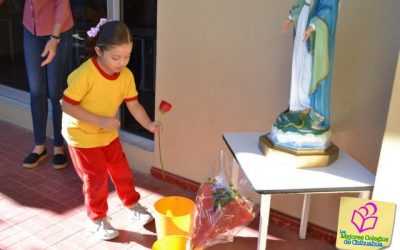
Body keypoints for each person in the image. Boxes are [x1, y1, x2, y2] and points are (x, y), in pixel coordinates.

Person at [61, 19, 159, 240]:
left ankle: (132, 204)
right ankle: (96, 219)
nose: (122, 63)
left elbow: (133, 104)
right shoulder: (85, 74)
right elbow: (66, 105)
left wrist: (148, 124)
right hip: (81, 135)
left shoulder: (125, 76)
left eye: (127, 57)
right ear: (98, 51)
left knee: (121, 170)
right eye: (116, 57)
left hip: (106, 133)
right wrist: (99, 120)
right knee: (95, 177)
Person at [274, 0, 340, 136]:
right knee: (299, 63)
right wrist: (291, 17)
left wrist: (312, 26)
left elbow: (328, 8)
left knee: (308, 67)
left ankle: (307, 105)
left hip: (314, 28)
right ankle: (297, 104)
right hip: (304, 21)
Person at [21, 0, 74, 169]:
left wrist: (55, 37)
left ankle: (59, 146)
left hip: (58, 32)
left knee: (55, 90)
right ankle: (39, 146)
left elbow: (63, 4)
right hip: (31, 29)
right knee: (36, 90)